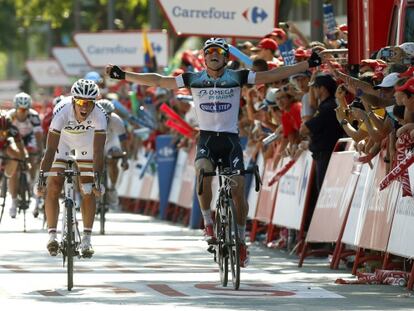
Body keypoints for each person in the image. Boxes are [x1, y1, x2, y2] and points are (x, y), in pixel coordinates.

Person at [105, 37, 322, 267]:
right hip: (207, 139)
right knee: (203, 171)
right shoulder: (195, 79)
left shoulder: (236, 77)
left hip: (230, 141)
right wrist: (125, 75)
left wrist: (306, 65)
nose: (213, 55)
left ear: (226, 57)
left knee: (237, 189)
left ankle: (239, 239)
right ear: (204, 57)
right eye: (209, 52)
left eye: (218, 51)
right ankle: (208, 222)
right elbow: (158, 80)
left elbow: (272, 75)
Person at [37, 79, 107, 258]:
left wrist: (97, 180)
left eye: (89, 103)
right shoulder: (62, 111)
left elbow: (98, 151)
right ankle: (52, 236)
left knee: (88, 189)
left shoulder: (100, 115)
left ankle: (87, 239)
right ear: (74, 100)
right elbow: (50, 149)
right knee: (53, 186)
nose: (85, 107)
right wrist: (41, 178)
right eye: (81, 102)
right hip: (63, 141)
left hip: (86, 142)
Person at [8, 92, 43, 216]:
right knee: (13, 167)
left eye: (25, 109)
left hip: (29, 138)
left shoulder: (34, 116)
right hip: (14, 138)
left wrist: (40, 151)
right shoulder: (10, 116)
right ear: (16, 108)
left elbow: (38, 135)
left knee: (33, 157)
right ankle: (13, 200)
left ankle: (32, 178)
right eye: (20, 109)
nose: (22, 112)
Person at [96, 98, 129, 209]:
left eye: (108, 114)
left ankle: (112, 187)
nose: (106, 117)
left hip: (110, 141)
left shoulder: (116, 120)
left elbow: (123, 142)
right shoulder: (90, 119)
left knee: (114, 157)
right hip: (95, 141)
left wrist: (125, 159)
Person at [0, 112, 28, 218]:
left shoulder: (13, 131)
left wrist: (24, 160)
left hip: (7, 147)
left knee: (15, 157)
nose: (2, 134)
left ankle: (14, 199)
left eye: (4, 132)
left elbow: (21, 149)